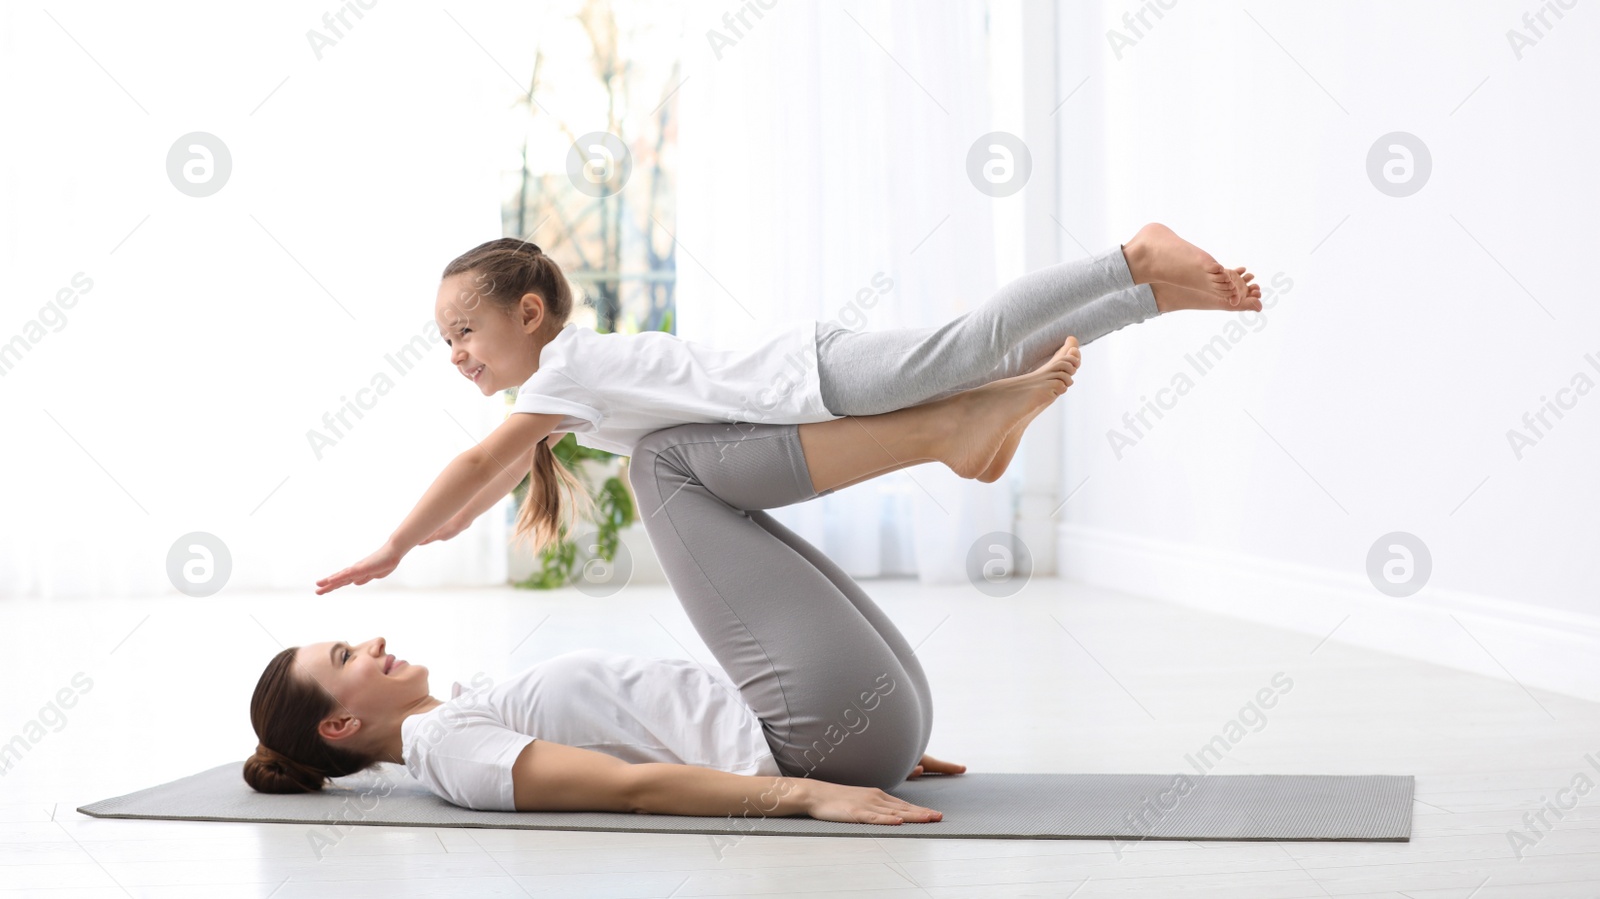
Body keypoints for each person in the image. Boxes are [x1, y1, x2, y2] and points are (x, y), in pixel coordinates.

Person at [248, 352, 1083, 822]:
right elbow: (633, 788)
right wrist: (815, 790)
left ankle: (951, 428)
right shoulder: (452, 753)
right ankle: (947, 429)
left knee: (685, 473)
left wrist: (879, 733)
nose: (377, 642)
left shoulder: (459, 711)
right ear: (343, 721)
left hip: (842, 728)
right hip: (815, 745)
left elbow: (658, 730)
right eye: (349, 653)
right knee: (665, 460)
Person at [314, 222, 1257, 595]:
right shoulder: (564, 386)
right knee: (991, 358)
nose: (456, 355)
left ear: (528, 314)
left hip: (808, 375)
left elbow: (484, 465)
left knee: (972, 348)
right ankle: (1154, 296)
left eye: (463, 331)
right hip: (807, 381)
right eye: (444, 342)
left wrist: (398, 542)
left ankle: (1131, 257)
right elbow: (500, 472)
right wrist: (441, 532)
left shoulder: (563, 370)